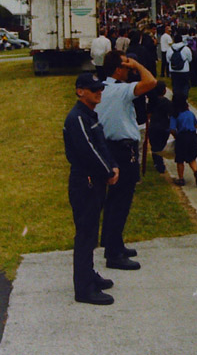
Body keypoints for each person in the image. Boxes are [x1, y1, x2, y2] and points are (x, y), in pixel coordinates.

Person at [96, 50, 157, 271]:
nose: (129, 70)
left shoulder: (102, 88)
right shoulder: (121, 90)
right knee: (121, 202)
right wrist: (138, 65)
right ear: (118, 69)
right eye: (126, 66)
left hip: (109, 147)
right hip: (123, 150)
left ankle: (113, 243)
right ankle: (114, 254)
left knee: (114, 200)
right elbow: (151, 82)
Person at [62, 73, 119, 305]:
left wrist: (113, 165)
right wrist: (108, 172)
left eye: (100, 88)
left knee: (91, 232)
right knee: (85, 235)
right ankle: (84, 289)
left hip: (95, 181)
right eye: (93, 89)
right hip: (84, 182)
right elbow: (88, 151)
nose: (99, 92)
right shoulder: (76, 118)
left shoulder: (89, 115)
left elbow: (101, 144)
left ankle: (88, 273)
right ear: (80, 91)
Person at [169, 95, 197, 186]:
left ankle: (181, 179)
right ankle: (196, 172)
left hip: (182, 137)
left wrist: (176, 136)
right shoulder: (190, 113)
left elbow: (172, 129)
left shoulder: (175, 115)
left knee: (180, 159)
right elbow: (196, 124)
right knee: (191, 158)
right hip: (193, 136)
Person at [146, 82, 171, 174]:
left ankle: (158, 163)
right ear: (164, 91)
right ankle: (160, 163)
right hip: (165, 126)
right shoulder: (167, 102)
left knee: (154, 146)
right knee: (161, 144)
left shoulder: (152, 102)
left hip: (154, 126)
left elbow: (148, 114)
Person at [166, 32, 193, 101]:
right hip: (184, 70)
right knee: (185, 85)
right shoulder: (186, 49)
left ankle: (176, 98)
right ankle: (184, 98)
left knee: (175, 85)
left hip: (173, 69)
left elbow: (168, 60)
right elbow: (190, 59)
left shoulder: (170, 49)